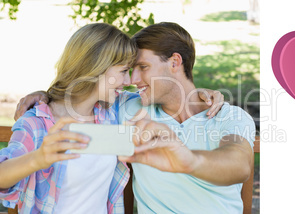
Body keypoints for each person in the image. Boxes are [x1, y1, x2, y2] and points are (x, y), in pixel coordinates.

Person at [1, 23, 223, 214]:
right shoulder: (37, 123)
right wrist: (38, 158)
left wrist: (199, 94)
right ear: (96, 68)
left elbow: (166, 90)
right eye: (124, 70)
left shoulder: (112, 114)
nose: (129, 80)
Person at [117, 22, 256, 213]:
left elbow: (238, 163)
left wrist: (188, 160)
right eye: (132, 69)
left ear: (174, 62)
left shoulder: (228, 116)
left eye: (143, 67)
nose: (133, 80)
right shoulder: (130, 109)